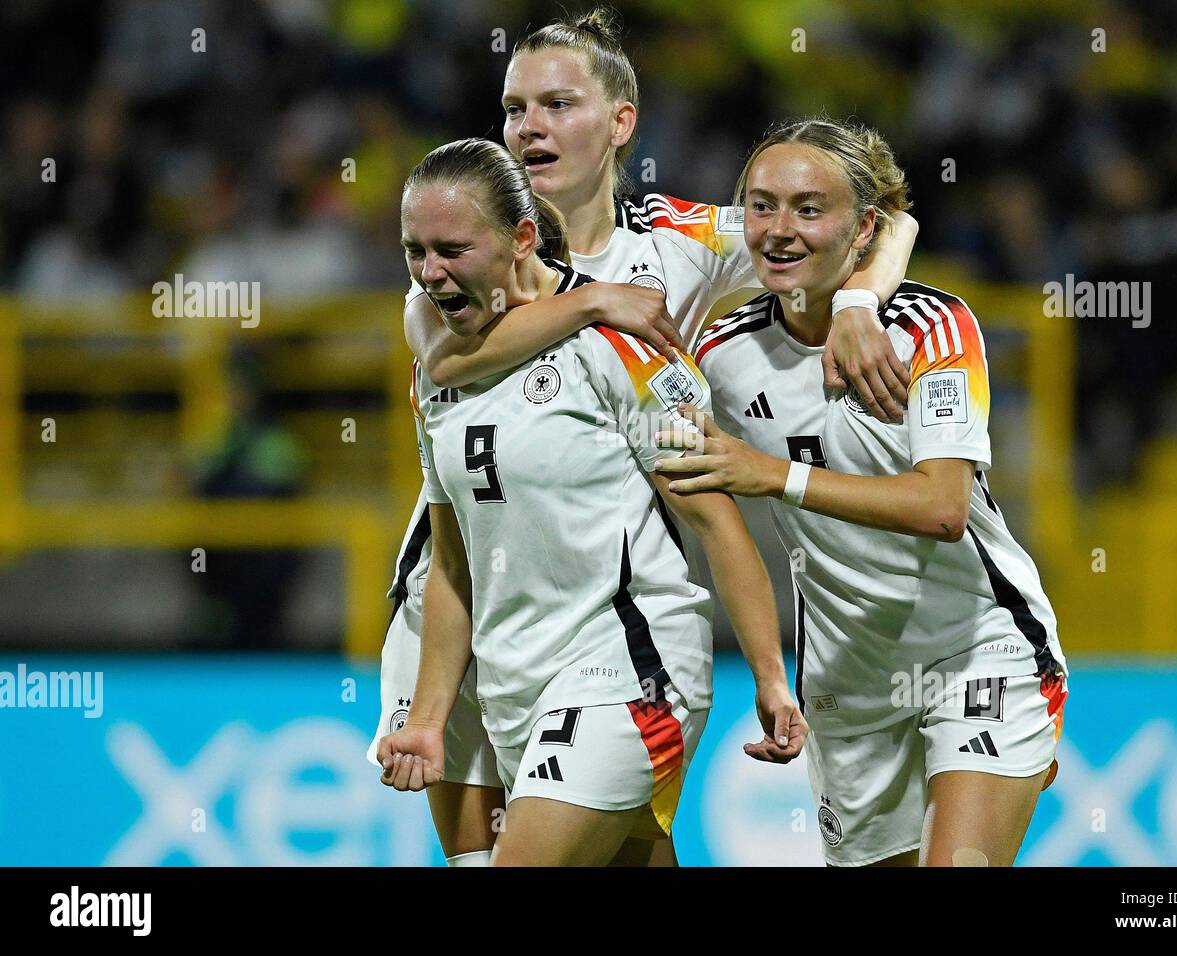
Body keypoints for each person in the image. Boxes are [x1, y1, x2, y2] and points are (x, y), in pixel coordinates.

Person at [368, 7, 918, 866]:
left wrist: (853, 304)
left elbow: (877, 215)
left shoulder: (683, 242)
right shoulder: (454, 259)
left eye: (556, 105)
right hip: (470, 581)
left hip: (612, 601)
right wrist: (588, 299)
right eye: (514, 109)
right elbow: (440, 365)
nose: (529, 128)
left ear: (622, 122)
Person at [375, 138, 804, 866]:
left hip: (628, 669)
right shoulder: (436, 372)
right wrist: (427, 718)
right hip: (515, 684)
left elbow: (714, 518)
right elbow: (453, 566)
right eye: (414, 251)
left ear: (519, 239)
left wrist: (770, 674)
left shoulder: (619, 345)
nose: (429, 274)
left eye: (451, 249)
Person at [658, 119, 1069, 867]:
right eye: (760, 206)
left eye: (810, 210)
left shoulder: (933, 327)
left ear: (863, 229)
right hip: (848, 685)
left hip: (977, 651)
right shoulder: (720, 354)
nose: (779, 231)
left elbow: (943, 509)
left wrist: (774, 473)